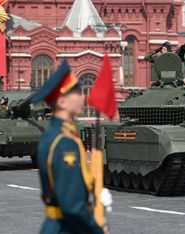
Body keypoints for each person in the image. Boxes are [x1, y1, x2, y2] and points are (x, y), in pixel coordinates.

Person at [30, 60, 108, 234]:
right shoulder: (65, 143)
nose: (82, 97)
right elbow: (72, 206)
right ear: (63, 102)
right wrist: (97, 230)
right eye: (77, 93)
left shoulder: (51, 136)